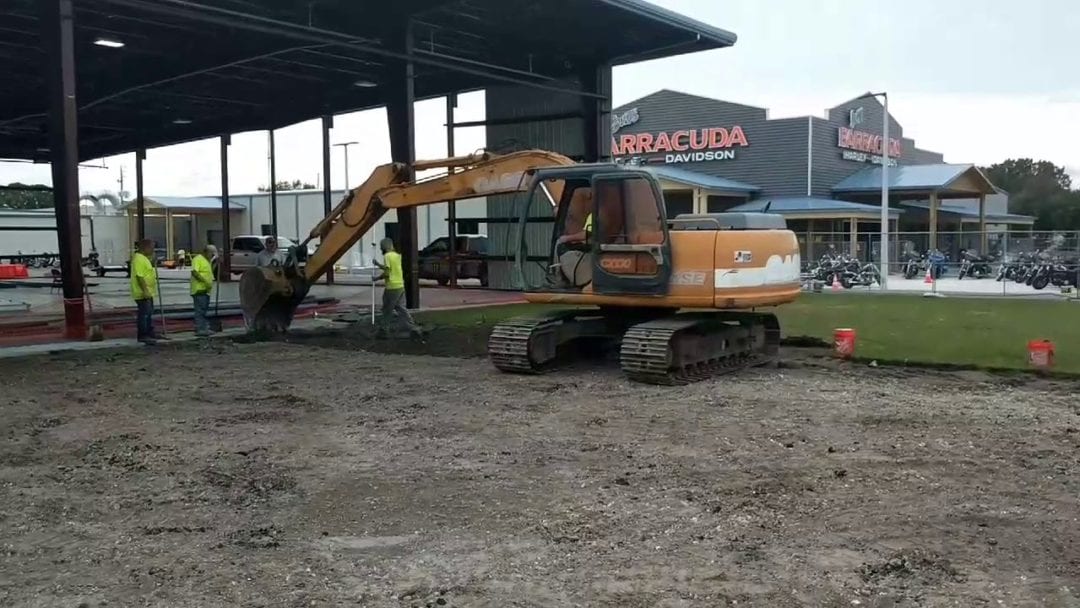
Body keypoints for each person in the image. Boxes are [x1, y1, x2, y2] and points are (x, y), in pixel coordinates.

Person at [373, 238, 423, 340]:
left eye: (381, 247)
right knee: (401, 307)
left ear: (384, 247)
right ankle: (412, 327)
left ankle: (383, 330)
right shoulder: (397, 256)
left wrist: (377, 278)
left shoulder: (387, 256)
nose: (380, 249)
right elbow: (391, 268)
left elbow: (387, 273)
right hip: (400, 285)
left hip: (391, 287)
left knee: (387, 309)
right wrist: (378, 265)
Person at [130, 239, 159, 345]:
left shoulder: (144, 258)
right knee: (144, 314)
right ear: (145, 248)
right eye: (152, 248)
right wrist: (145, 290)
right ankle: (143, 335)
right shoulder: (138, 259)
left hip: (148, 292)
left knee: (149, 313)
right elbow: (139, 276)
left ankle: (150, 333)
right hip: (142, 293)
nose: (153, 250)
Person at [190, 244, 216, 337]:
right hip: (199, 289)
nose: (213, 255)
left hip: (206, 289)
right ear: (206, 252)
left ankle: (203, 327)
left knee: (204, 309)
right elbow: (194, 272)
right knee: (200, 310)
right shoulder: (198, 259)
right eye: (211, 253)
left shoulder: (207, 261)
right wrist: (204, 281)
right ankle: (200, 328)